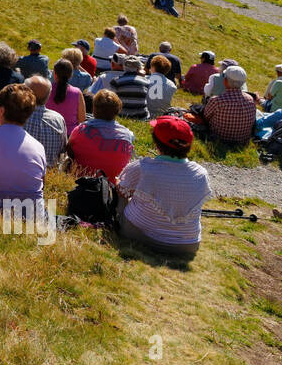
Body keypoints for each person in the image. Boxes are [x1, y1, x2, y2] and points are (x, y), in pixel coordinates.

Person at [116, 117, 211, 258]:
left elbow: (122, 191)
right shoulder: (201, 173)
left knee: (121, 188)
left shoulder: (143, 167)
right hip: (187, 244)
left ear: (156, 142)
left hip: (139, 235)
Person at [64, 90, 133, 184]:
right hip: (112, 186)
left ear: (94, 109)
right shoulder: (127, 136)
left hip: (82, 184)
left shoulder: (81, 130)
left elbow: (69, 150)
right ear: (117, 110)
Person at [203, 66, 256, 145]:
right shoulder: (250, 100)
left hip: (218, 139)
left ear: (225, 81)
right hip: (242, 141)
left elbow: (205, 118)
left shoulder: (217, 100)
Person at [23, 76, 67, 165]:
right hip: (47, 174)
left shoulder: (13, 114)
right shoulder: (58, 119)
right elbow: (62, 150)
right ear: (48, 95)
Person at [46, 58, 86, 135]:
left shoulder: (47, 89)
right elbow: (82, 119)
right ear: (71, 74)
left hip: (49, 132)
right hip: (70, 135)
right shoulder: (77, 92)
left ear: (54, 74)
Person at [111, 55, 152, 119]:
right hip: (141, 116)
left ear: (124, 67)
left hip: (122, 115)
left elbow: (113, 100)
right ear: (139, 68)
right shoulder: (146, 82)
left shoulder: (116, 81)